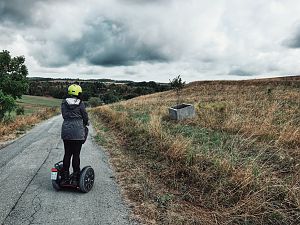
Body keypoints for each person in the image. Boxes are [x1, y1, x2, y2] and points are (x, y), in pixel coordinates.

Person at [60, 84, 89, 186]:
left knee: (67, 153)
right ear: (78, 93)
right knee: (76, 154)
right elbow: (85, 116)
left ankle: (65, 177)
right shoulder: (81, 103)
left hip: (66, 130)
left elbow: (64, 115)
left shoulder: (64, 103)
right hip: (77, 131)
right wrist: (85, 122)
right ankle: (76, 178)